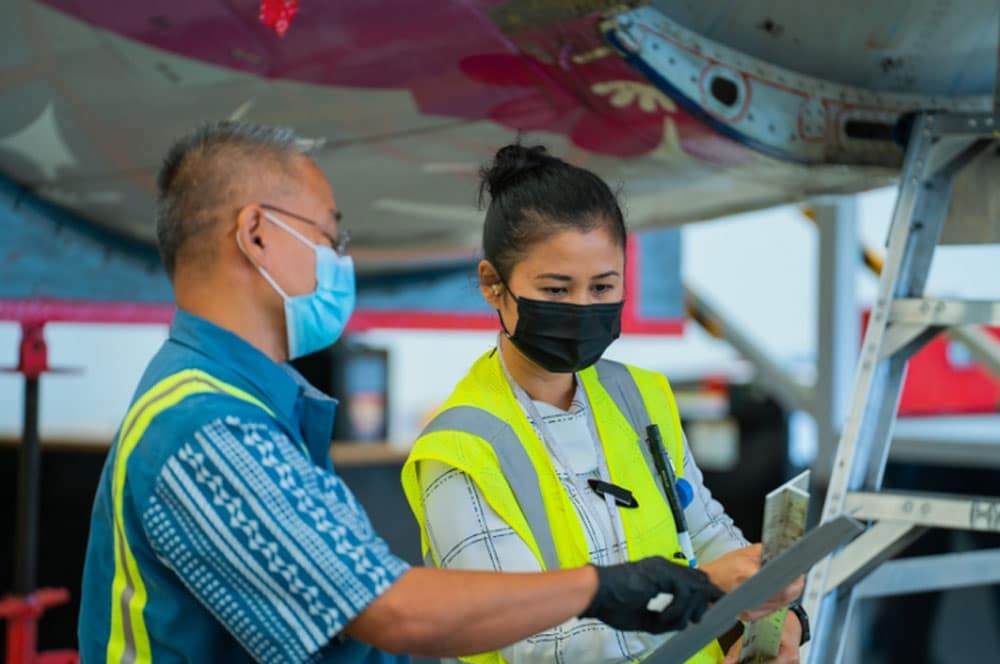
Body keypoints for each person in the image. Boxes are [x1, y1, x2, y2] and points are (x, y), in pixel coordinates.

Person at [77, 122, 725, 664]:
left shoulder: (236, 408)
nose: (340, 260)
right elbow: (387, 610)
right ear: (256, 235)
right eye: (331, 237)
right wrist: (597, 587)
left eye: (602, 286)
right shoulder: (207, 427)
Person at [401, 144, 808, 664]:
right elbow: (531, 643)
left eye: (602, 287)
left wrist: (774, 616)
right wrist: (703, 590)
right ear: (492, 285)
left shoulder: (641, 395)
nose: (581, 309)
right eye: (556, 288)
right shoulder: (460, 452)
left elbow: (704, 532)